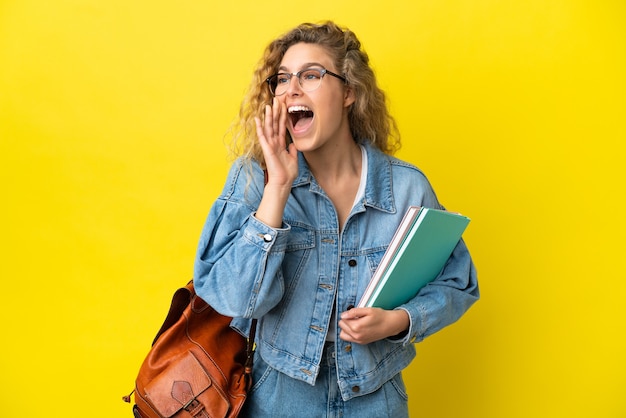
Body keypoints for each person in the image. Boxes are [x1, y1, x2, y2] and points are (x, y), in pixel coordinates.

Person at [193, 21, 479, 418]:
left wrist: (398, 321)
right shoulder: (254, 179)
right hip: (279, 396)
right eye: (282, 79)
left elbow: (458, 281)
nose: (291, 88)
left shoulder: (407, 187)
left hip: (376, 395)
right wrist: (277, 189)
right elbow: (233, 300)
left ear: (349, 91)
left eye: (310, 75)